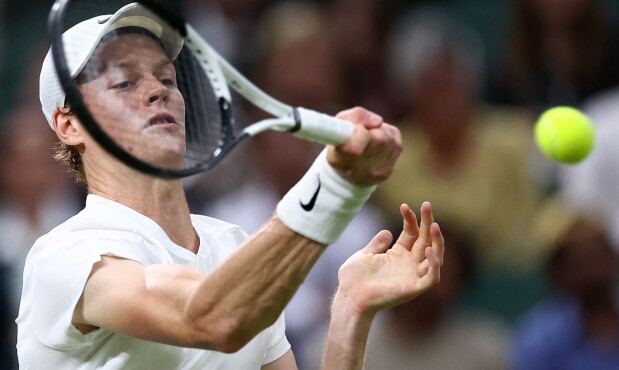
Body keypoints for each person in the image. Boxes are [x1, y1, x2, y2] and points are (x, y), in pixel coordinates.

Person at [16, 3, 444, 369]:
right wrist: (333, 184)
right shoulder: (66, 257)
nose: (157, 91)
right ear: (69, 125)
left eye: (167, 79)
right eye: (125, 81)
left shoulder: (235, 249)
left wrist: (350, 308)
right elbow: (210, 318)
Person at [512, 199, 619, 369]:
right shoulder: (539, 338)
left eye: (598, 255)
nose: (592, 268)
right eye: (579, 261)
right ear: (557, 274)